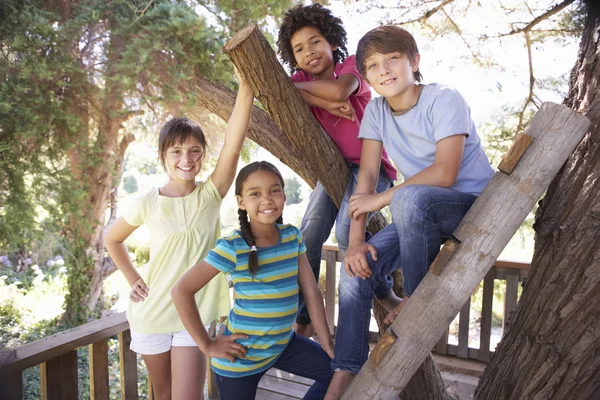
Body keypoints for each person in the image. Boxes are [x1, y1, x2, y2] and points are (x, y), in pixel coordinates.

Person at [325, 25, 495, 399]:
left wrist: (380, 201)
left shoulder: (444, 98)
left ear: (414, 61)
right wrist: (355, 242)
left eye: (393, 58)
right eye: (372, 65)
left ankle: (417, 305)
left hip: (470, 206)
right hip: (417, 214)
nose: (383, 69)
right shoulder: (376, 111)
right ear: (365, 75)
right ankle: (345, 369)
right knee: (356, 273)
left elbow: (444, 172)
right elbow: (367, 174)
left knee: (407, 199)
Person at [104, 71, 254, 399]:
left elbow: (233, 141)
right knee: (163, 393)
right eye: (176, 152)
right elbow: (111, 239)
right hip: (150, 313)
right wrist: (133, 278)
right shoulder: (146, 201)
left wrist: (247, 85)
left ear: (202, 154)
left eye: (194, 151)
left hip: (193, 316)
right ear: (163, 156)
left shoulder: (211, 194)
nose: (186, 159)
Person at [277, 3, 399, 337]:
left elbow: (339, 90)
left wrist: (321, 96)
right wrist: (326, 102)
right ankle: (304, 318)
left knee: (347, 235)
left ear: (331, 40)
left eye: (315, 41)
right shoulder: (299, 78)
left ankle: (386, 294)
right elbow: (279, 94)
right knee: (308, 236)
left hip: (371, 167)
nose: (309, 52)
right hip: (333, 169)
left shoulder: (350, 66)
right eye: (299, 49)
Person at [171, 161, 334, 400]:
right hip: (239, 359)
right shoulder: (233, 247)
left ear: (284, 195)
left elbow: (310, 291)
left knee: (336, 371)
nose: (267, 199)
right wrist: (207, 345)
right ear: (241, 202)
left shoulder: (292, 237)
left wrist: (326, 341)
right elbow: (181, 290)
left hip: (282, 345)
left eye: (274, 190)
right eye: (255, 193)